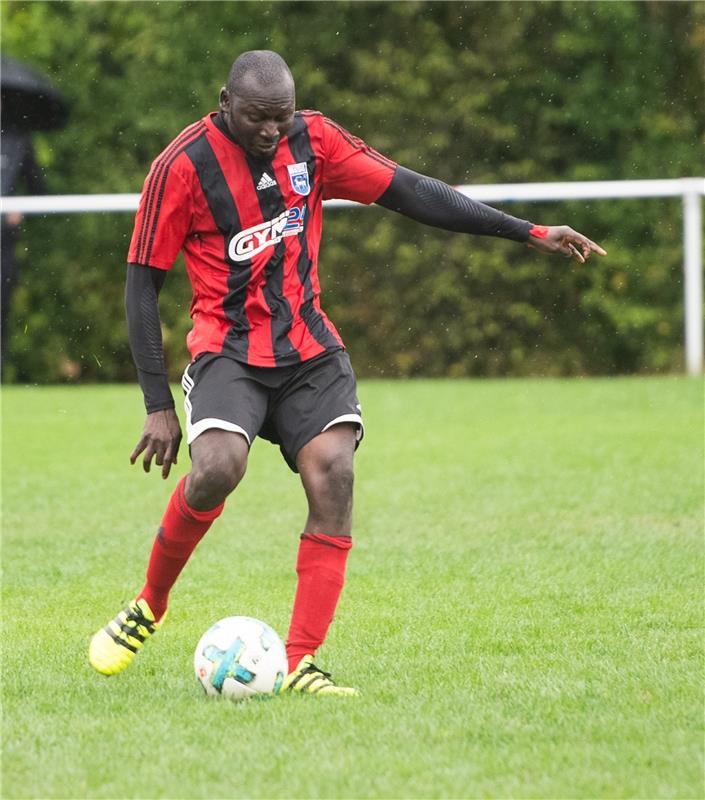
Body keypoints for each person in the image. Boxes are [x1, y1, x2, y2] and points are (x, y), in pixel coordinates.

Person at [89, 50, 605, 695]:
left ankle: (301, 661)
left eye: (281, 117)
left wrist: (529, 232)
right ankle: (149, 605)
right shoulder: (182, 166)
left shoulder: (316, 141)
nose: (271, 132)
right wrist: (156, 404)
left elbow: (412, 192)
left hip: (310, 353)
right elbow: (142, 286)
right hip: (229, 351)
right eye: (256, 118)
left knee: (334, 474)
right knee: (217, 469)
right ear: (224, 102)